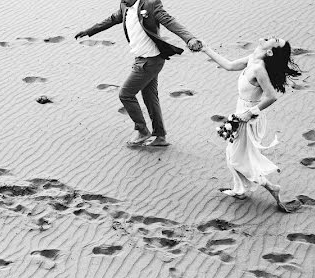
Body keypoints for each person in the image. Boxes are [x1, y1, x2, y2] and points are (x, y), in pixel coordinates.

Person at [75, 0, 202, 148]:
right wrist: (89, 31)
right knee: (149, 97)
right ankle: (160, 137)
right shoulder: (124, 6)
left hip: (150, 61)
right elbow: (112, 19)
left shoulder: (150, 4)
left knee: (125, 94)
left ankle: (142, 131)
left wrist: (190, 38)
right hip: (142, 59)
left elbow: (170, 21)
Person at [202, 37, 302, 212]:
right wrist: (206, 49)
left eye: (275, 40)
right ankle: (240, 190)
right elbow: (229, 65)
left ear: (270, 51)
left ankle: (271, 187)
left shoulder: (259, 69)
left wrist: (250, 113)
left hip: (249, 117)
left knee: (237, 158)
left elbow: (272, 96)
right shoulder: (252, 58)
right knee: (233, 154)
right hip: (240, 112)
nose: (271, 36)